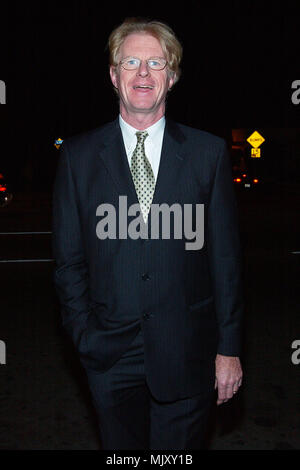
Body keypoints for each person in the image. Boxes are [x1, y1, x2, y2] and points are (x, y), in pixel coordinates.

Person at [52, 17, 243, 450]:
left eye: (156, 62)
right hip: (108, 354)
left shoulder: (207, 153)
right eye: (131, 61)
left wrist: (228, 348)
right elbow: (68, 261)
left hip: (187, 352)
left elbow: (226, 261)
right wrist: (83, 335)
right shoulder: (78, 157)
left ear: (171, 77)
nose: (143, 73)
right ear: (113, 74)